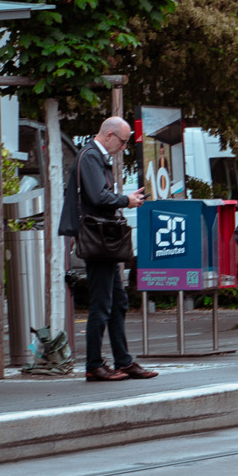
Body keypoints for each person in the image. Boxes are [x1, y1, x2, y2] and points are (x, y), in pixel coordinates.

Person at [59, 117, 157, 382]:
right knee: (102, 303)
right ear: (110, 135)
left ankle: (123, 361)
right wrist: (126, 200)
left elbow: (97, 195)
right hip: (99, 240)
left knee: (117, 301)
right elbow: (98, 197)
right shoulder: (91, 156)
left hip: (103, 239)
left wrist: (126, 198)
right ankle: (93, 365)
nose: (124, 147)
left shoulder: (93, 156)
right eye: (123, 141)